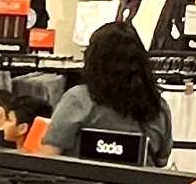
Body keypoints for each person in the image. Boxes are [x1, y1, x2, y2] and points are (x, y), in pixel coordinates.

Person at [41, 21, 171, 163]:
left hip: (84, 182)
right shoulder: (157, 105)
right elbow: (162, 158)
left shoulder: (78, 99)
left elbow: (50, 153)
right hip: (138, 183)